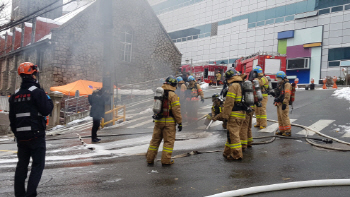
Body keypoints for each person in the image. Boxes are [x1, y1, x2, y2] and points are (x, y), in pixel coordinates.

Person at [9, 62, 53, 197]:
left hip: (21, 137)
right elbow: (46, 110)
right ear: (33, 74)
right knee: (37, 165)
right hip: (36, 135)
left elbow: (12, 119)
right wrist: (48, 99)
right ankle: (30, 194)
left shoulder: (15, 95)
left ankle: (20, 194)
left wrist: (17, 133)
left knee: (22, 165)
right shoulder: (37, 92)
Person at [146, 76, 182, 166]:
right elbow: (176, 110)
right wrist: (180, 122)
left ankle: (150, 159)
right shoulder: (173, 95)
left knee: (154, 141)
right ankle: (166, 161)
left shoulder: (159, 93)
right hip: (169, 123)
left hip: (158, 121)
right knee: (168, 142)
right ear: (173, 84)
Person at [215, 69, 246, 160]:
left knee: (234, 135)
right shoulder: (242, 84)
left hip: (234, 114)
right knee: (231, 134)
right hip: (242, 113)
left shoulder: (233, 86)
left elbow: (229, 103)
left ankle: (237, 154)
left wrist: (224, 116)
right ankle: (227, 152)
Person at [271, 71, 292, 136]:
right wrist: (274, 94)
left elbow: (287, 95)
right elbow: (279, 94)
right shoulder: (280, 84)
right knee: (280, 117)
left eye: (278, 78)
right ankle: (282, 130)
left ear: (282, 78)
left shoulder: (287, 84)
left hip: (283, 103)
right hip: (279, 103)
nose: (277, 80)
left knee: (284, 117)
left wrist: (285, 103)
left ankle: (288, 131)